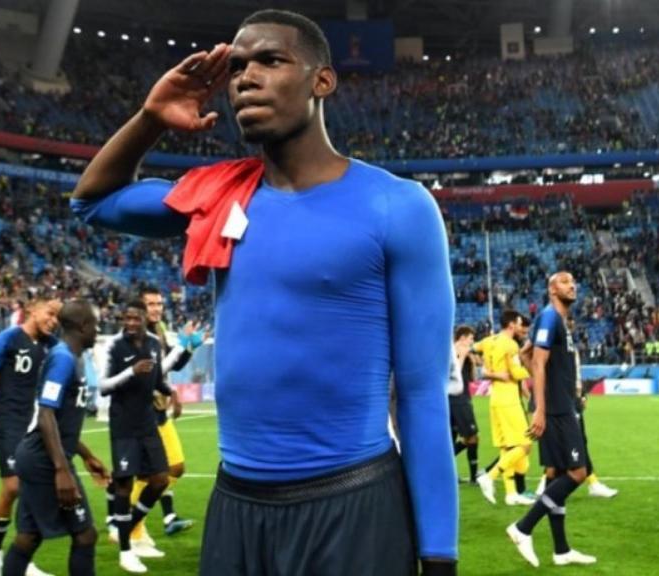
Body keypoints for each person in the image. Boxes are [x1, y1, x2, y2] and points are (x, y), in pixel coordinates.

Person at [71, 9, 457, 575]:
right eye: (236, 67)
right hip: (237, 505)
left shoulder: (398, 207)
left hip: (352, 503)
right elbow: (93, 203)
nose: (245, 77)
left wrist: (439, 557)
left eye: (270, 60)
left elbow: (422, 398)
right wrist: (151, 117)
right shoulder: (217, 195)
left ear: (321, 81)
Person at [1, 300, 109, 576]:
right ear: (83, 326)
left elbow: (62, 421)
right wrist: (62, 470)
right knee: (85, 535)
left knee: (29, 536)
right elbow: (46, 413)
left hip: (43, 456)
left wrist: (86, 455)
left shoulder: (74, 357)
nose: (98, 331)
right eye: (96, 325)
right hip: (44, 461)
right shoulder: (62, 358)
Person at [0, 298, 61, 576]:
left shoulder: (50, 345)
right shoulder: (8, 338)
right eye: (49, 314)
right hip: (7, 422)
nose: (52, 321)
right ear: (33, 309)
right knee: (14, 487)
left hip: (32, 422)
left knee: (29, 489)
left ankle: (22, 559)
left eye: (56, 318)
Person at [507, 272, 597, 568]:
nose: (573, 285)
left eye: (574, 281)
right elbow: (540, 362)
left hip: (559, 404)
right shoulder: (550, 317)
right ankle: (523, 528)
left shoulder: (557, 320)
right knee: (578, 472)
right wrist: (541, 408)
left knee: (557, 474)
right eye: (565, 282)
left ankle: (561, 550)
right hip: (557, 409)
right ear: (551, 289)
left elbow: (525, 353)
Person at [97, 302, 172, 573]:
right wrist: (131, 371)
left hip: (148, 424)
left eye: (134, 318)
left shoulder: (153, 343)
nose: (129, 323)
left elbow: (156, 379)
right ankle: (126, 551)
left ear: (143, 318)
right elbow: (103, 387)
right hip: (123, 427)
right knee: (124, 486)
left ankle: (125, 527)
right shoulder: (114, 346)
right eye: (125, 318)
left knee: (161, 479)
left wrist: (171, 393)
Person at [124, 286, 197, 550]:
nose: (156, 308)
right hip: (143, 412)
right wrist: (182, 347)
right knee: (154, 474)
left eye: (159, 304)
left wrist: (188, 349)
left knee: (174, 467)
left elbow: (171, 366)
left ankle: (129, 521)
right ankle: (131, 528)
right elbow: (150, 372)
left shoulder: (161, 330)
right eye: (151, 304)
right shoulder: (137, 337)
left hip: (158, 409)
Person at [534, 317, 618, 499]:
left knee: (579, 442)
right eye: (567, 321)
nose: (570, 324)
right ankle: (552, 484)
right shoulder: (554, 345)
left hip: (572, 400)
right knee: (573, 443)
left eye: (571, 321)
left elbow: (574, 375)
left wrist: (581, 395)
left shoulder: (570, 346)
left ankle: (589, 483)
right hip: (561, 402)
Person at [474, 310, 535, 506]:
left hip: (495, 398)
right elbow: (516, 373)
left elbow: (473, 350)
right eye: (518, 323)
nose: (520, 326)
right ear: (511, 324)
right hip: (509, 399)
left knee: (506, 447)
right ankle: (489, 476)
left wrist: (489, 372)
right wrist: (536, 369)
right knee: (525, 444)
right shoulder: (511, 345)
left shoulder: (489, 341)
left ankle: (511, 494)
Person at [449, 325, 480, 485]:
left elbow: (473, 379)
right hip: (457, 400)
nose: (472, 342)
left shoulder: (466, 353)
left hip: (463, 398)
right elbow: (453, 374)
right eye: (470, 338)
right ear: (462, 338)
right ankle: (474, 477)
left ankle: (448, 471)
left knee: (453, 440)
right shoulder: (452, 351)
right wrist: (462, 356)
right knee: (472, 437)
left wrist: (472, 361)